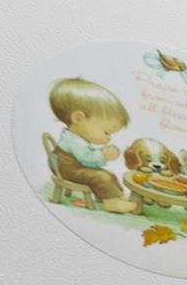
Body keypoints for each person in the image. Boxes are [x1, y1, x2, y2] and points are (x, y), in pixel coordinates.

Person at [47, 78, 139, 213]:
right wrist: (103, 155)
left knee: (108, 174)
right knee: (102, 177)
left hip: (73, 167)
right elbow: (87, 160)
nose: (109, 138)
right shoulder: (75, 142)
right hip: (67, 170)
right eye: (106, 132)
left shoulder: (74, 138)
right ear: (78, 118)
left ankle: (116, 196)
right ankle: (111, 203)